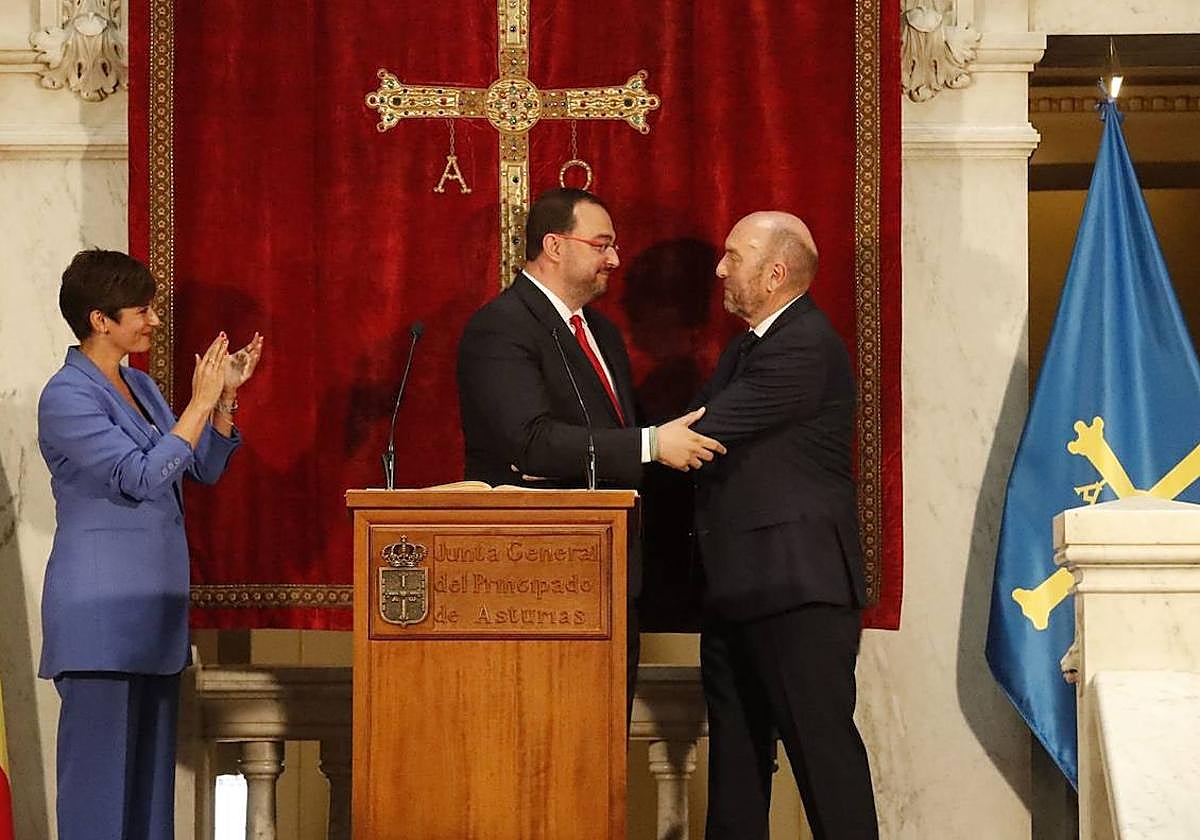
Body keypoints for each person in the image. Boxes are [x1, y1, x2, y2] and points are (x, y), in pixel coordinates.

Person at [456, 187, 725, 716]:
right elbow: (529, 442)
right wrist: (652, 443)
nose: (615, 259)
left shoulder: (599, 330)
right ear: (554, 246)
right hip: (537, 581)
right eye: (601, 244)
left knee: (604, 750)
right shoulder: (501, 327)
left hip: (610, 575)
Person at [37, 249, 263, 839]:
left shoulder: (138, 385)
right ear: (99, 320)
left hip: (153, 616)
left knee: (148, 795)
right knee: (98, 794)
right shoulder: (66, 395)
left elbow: (200, 468)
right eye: (143, 311)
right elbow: (140, 476)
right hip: (100, 619)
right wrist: (198, 403)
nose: (155, 322)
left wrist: (224, 402)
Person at [689, 212, 878, 839]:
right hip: (740, 588)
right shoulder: (750, 345)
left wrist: (623, 447)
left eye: (733, 256)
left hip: (796, 592)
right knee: (737, 774)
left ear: (775, 273)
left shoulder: (803, 343)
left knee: (825, 766)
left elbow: (708, 431)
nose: (720, 268)